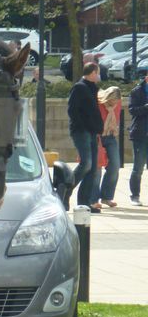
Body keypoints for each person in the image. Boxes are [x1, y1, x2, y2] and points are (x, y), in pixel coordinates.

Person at [67, 62, 104, 212]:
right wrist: (83, 126)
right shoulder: (79, 87)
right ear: (93, 73)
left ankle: (84, 202)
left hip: (92, 132)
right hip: (81, 131)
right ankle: (65, 189)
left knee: (92, 168)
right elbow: (72, 111)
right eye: (98, 72)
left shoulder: (91, 88)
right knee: (86, 164)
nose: (99, 75)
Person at [92, 87, 122, 209]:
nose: (114, 103)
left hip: (110, 136)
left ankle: (106, 196)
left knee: (115, 165)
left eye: (116, 101)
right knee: (96, 169)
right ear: (107, 97)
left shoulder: (118, 103)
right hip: (97, 136)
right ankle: (93, 199)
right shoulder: (98, 103)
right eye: (112, 101)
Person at [128, 73, 148, 205]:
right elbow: (132, 110)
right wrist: (146, 107)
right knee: (138, 167)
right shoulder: (137, 91)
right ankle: (135, 195)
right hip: (140, 134)